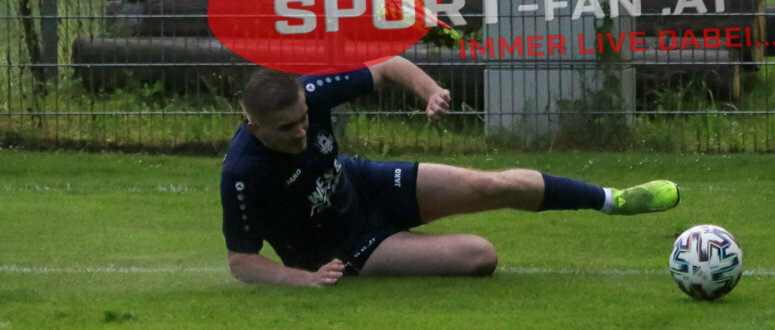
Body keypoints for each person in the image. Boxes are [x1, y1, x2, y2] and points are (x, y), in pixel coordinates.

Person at [220, 61, 681, 286]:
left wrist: (430, 89)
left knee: (492, 184)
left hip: (363, 183)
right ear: (254, 126)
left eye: (304, 118)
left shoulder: (311, 91)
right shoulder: (243, 172)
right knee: (481, 256)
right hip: (341, 246)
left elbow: (387, 66)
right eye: (287, 128)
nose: (302, 131)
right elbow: (242, 261)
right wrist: (303, 278)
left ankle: (612, 199)